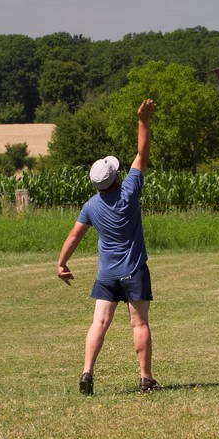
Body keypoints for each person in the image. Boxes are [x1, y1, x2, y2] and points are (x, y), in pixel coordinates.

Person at [57, 98, 159, 395]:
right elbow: (142, 153)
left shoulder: (90, 206)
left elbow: (74, 236)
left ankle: (87, 373)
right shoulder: (129, 192)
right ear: (116, 177)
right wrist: (142, 120)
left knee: (99, 322)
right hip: (134, 272)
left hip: (107, 275)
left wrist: (61, 263)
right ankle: (145, 379)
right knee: (138, 324)